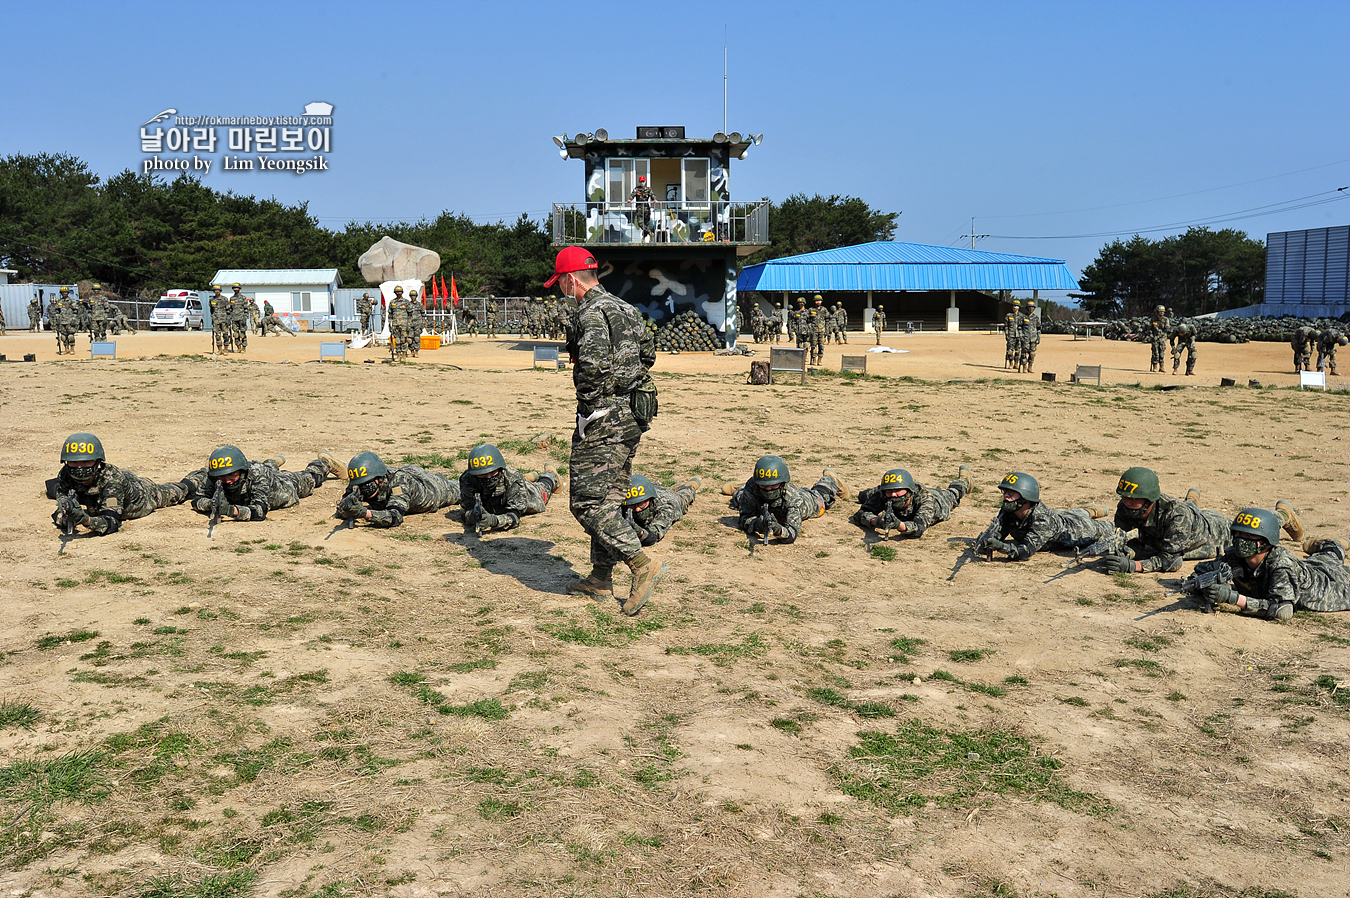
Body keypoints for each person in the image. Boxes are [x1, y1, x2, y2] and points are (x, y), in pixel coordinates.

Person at [547, 246, 662, 615]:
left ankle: (642, 565)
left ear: (570, 278)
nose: (560, 290)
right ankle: (600, 576)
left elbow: (591, 368)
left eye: (560, 283)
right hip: (634, 411)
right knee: (609, 497)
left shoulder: (590, 312)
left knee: (586, 502)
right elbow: (648, 355)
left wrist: (589, 409)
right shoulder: (626, 308)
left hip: (606, 416)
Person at [1104, 466, 1300, 574]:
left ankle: (1283, 515)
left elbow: (1171, 561)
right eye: (1124, 497)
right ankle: (1192, 499)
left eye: (1133, 498)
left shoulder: (1176, 516)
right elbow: (1127, 537)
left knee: (1252, 526)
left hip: (1214, 532)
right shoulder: (1126, 507)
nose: (1127, 502)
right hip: (1184, 523)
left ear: (1150, 499)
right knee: (1188, 509)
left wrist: (1135, 566)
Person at [1192, 509, 1350, 622]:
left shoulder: (1281, 566)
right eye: (1238, 534)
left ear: (1266, 541)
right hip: (1307, 567)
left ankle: (1335, 544)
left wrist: (1232, 598)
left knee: (1330, 559)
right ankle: (1332, 546)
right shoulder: (1235, 556)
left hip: (1334, 585)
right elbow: (1203, 570)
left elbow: (1282, 611)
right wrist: (1201, 584)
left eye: (1249, 535)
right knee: (1323, 559)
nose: (1241, 539)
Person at [46, 433, 190, 536]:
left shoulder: (112, 481)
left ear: (98, 462)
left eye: (86, 462)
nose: (79, 468)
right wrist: (65, 516)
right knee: (52, 488)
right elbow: (61, 506)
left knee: (179, 491)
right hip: (95, 495)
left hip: (143, 495)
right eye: (74, 463)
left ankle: (200, 478)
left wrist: (85, 520)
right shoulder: (65, 474)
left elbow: (111, 522)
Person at [974, 472, 1115, 561]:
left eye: (1011, 493)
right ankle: (1087, 510)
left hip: (1076, 529)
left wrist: (1000, 547)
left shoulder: (1043, 520)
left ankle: (1088, 513)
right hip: (1059, 516)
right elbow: (999, 532)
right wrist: (987, 541)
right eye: (1005, 492)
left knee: (1111, 528)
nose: (1006, 496)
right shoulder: (1009, 508)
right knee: (1068, 513)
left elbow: (1025, 552)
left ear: (1027, 497)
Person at [182, 446, 343, 522]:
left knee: (310, 478)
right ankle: (271, 462)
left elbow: (260, 511)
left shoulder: (257, 474)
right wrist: (210, 504)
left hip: (283, 487)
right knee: (265, 467)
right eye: (222, 477)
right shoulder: (215, 475)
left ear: (242, 470)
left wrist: (231, 510)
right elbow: (197, 500)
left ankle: (324, 463)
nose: (227, 480)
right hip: (264, 472)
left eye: (232, 475)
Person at [726, 455, 849, 544]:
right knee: (741, 498)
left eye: (773, 485)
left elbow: (791, 534)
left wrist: (778, 529)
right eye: (764, 485)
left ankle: (830, 479)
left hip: (806, 501)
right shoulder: (753, 486)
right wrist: (758, 524)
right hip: (760, 502)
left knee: (820, 499)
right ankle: (740, 489)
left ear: (782, 482)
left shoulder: (793, 498)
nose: (769, 489)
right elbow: (744, 517)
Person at [335, 451, 461, 527]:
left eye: (368, 483)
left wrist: (365, 513)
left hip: (431, 488)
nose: (365, 488)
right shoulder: (359, 481)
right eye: (361, 484)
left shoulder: (400, 483)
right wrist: (347, 509)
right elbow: (344, 506)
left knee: (459, 490)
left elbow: (394, 517)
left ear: (379, 478)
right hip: (407, 471)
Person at [459, 443, 559, 533]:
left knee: (542, 489)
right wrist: (472, 517)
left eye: (492, 472)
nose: (488, 477)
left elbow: (514, 517)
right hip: (505, 494)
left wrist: (494, 521)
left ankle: (551, 475)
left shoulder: (512, 478)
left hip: (525, 496)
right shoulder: (467, 480)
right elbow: (467, 509)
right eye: (483, 474)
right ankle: (527, 478)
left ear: (500, 468)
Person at [852, 466, 974, 538]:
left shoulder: (926, 500)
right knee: (864, 495)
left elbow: (918, 528)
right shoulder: (884, 494)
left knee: (953, 493)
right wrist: (876, 521)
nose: (893, 494)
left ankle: (964, 480)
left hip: (940, 500)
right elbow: (860, 514)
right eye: (889, 491)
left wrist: (899, 525)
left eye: (898, 490)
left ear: (909, 491)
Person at [623, 474, 699, 547]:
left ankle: (689, 485)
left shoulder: (667, 506)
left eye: (641, 504)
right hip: (653, 488)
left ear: (649, 499)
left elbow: (654, 535)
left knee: (685, 496)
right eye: (632, 505)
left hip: (671, 497)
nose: (637, 509)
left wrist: (639, 532)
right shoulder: (624, 502)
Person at [387, 286, 411, 359]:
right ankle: (398, 354)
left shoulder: (406, 302)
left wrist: (409, 322)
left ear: (402, 292)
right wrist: (389, 321)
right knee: (397, 340)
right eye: (397, 292)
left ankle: (403, 354)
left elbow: (410, 313)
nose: (398, 293)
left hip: (404, 324)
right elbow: (390, 313)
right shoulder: (392, 302)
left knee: (403, 339)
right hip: (395, 324)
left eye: (400, 292)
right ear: (395, 292)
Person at [629, 174, 655, 241]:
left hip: (646, 208)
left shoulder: (648, 189)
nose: (642, 183)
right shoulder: (637, 189)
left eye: (643, 181)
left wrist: (654, 199)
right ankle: (649, 233)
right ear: (639, 182)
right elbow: (632, 195)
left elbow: (652, 195)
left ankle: (644, 237)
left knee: (646, 224)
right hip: (639, 208)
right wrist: (630, 199)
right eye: (641, 182)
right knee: (640, 223)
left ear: (645, 182)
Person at [1146, 305, 1169, 373]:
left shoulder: (1165, 320)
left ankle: (1162, 367)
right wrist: (1151, 336)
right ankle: (1155, 367)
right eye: (1160, 311)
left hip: (1162, 338)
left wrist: (1160, 336)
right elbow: (1150, 329)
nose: (1162, 313)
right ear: (1157, 312)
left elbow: (1166, 329)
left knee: (1161, 353)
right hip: (1154, 338)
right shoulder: (1153, 319)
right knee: (1155, 353)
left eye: (1163, 311)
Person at [208, 285, 229, 353]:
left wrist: (228, 319)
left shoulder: (224, 299)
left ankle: (226, 349)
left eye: (218, 290)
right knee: (217, 335)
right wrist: (212, 317)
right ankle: (219, 349)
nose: (216, 291)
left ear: (220, 291)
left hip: (224, 320)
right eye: (215, 290)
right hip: (216, 320)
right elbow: (211, 309)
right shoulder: (211, 299)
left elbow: (228, 310)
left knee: (225, 335)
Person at [1022, 300, 1041, 372]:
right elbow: (1020, 327)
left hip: (1033, 338)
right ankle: (1024, 367)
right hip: (1025, 338)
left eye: (1032, 307)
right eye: (1029, 307)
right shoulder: (1023, 317)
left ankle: (1030, 367)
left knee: (1032, 353)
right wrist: (1021, 336)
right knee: (1024, 353)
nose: (1031, 308)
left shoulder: (1036, 318)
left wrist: (1038, 337)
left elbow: (1038, 328)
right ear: (1027, 308)